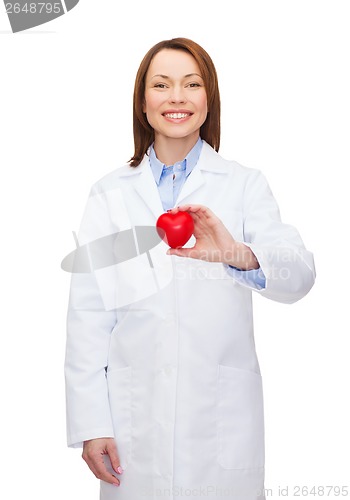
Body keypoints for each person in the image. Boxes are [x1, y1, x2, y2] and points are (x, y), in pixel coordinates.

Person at [64, 38, 315, 500]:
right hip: (133, 424)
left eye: (191, 84)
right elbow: (88, 318)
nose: (176, 97)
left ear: (208, 99)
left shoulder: (243, 185)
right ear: (143, 102)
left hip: (220, 423)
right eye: (161, 85)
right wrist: (91, 423)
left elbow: (300, 274)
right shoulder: (109, 193)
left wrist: (239, 254)